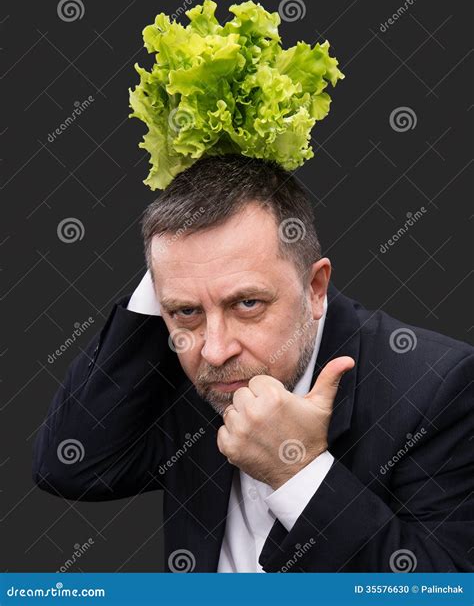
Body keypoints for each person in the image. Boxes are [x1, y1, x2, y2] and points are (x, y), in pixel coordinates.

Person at [32, 155, 474, 573]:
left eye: (247, 303)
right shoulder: (189, 375)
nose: (215, 351)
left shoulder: (435, 386)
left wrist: (297, 471)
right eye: (186, 312)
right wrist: (177, 266)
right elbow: (71, 466)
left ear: (315, 287)